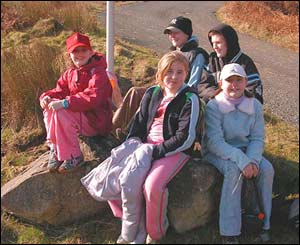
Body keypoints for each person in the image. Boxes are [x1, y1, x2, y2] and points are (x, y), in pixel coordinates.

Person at [81, 51, 202, 243]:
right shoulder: (152, 93)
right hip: (145, 147)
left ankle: (155, 233)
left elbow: (185, 137)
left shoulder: (189, 99)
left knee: (151, 186)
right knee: (115, 177)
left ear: (186, 74)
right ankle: (131, 222)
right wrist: (134, 142)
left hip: (172, 151)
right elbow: (138, 123)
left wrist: (155, 151)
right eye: (169, 71)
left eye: (180, 72)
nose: (174, 77)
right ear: (161, 73)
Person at [202, 63, 274, 244]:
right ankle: (229, 230)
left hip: (247, 152)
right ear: (220, 84)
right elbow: (215, 142)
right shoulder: (214, 106)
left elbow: (257, 138)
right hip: (217, 152)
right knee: (233, 171)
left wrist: (254, 161)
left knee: (267, 170)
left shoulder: (255, 105)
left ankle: (264, 223)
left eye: (238, 80)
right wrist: (242, 161)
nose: (234, 85)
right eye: (229, 80)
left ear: (245, 82)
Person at [112, 16, 208, 139]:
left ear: (187, 34)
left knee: (141, 93)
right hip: (165, 89)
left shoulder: (197, 55)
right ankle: (116, 128)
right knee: (137, 92)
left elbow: (194, 84)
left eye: (176, 32)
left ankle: (127, 131)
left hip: (180, 95)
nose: (172, 36)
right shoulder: (175, 52)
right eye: (170, 33)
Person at [39, 32, 113, 173]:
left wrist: (66, 103)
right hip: (81, 118)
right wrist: (46, 97)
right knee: (50, 108)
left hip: (96, 121)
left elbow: (93, 97)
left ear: (91, 52)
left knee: (61, 112)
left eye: (83, 50)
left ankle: (74, 156)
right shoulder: (70, 73)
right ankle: (56, 149)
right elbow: (59, 90)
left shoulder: (98, 72)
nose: (79, 54)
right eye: (75, 51)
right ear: (69, 54)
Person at [199, 23, 263, 104]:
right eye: (213, 43)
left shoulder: (246, 64)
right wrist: (217, 96)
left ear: (230, 42)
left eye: (218, 42)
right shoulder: (212, 60)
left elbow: (255, 94)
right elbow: (202, 85)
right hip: (215, 107)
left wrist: (230, 99)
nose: (214, 46)